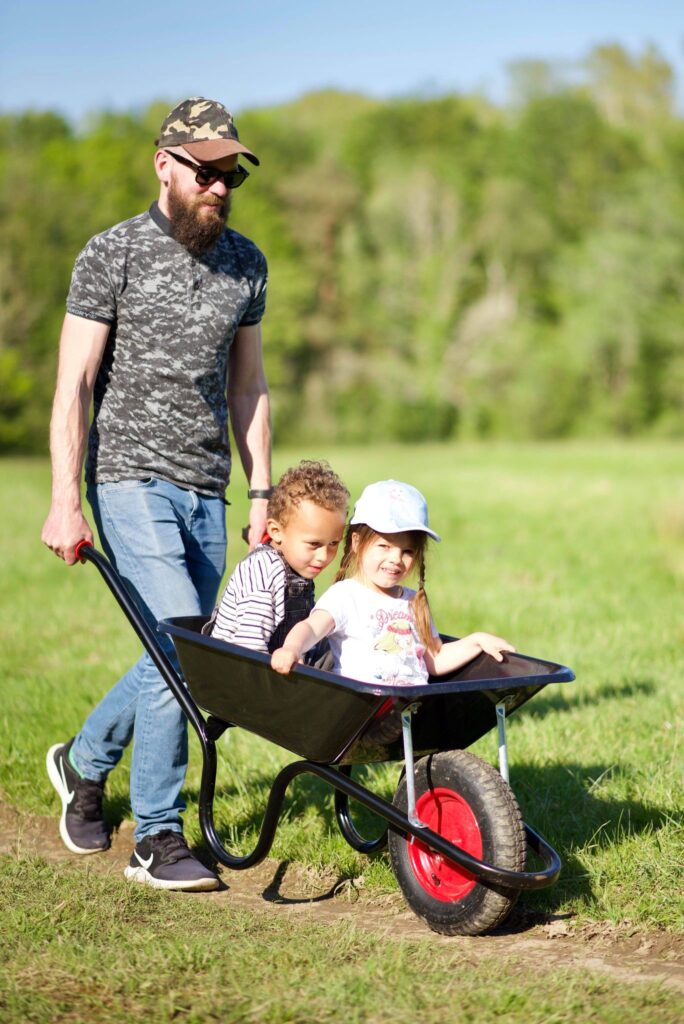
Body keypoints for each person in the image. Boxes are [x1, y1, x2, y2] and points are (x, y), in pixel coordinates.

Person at [41, 97, 272, 891]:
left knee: (188, 652)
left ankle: (82, 760)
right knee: (181, 638)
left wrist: (264, 495)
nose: (220, 184)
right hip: (128, 475)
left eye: (230, 172)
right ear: (164, 165)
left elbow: (250, 388)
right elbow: (72, 384)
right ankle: (158, 838)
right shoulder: (113, 254)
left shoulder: (247, 262)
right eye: (206, 170)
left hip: (208, 483)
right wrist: (64, 499)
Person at [271, 480, 515, 684]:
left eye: (407, 551)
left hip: (411, 711)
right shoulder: (346, 595)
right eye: (384, 546)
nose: (395, 559)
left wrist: (476, 641)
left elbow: (435, 659)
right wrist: (292, 648)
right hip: (362, 712)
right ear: (357, 543)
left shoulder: (413, 601)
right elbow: (312, 628)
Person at [206, 460, 349, 654]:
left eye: (333, 543)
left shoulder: (298, 567)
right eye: (314, 544)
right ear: (276, 531)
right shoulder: (263, 569)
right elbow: (250, 645)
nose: (324, 556)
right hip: (243, 671)